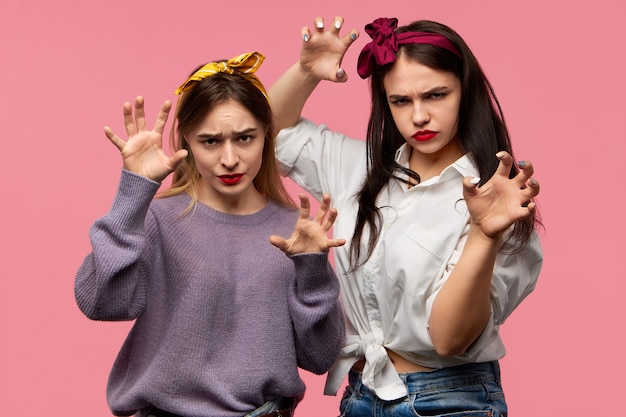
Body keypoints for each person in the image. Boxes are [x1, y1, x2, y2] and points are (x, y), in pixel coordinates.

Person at [268, 16, 543, 417]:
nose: (418, 117)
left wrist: (485, 234)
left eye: (435, 95)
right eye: (401, 101)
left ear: (466, 93)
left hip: (448, 401)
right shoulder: (359, 169)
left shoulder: (499, 199)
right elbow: (266, 134)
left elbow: (450, 340)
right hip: (360, 395)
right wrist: (306, 72)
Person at [74, 51, 346, 417]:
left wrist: (311, 270)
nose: (230, 158)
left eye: (245, 138)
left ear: (267, 132)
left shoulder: (293, 232)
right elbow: (101, 303)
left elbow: (320, 357)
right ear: (186, 138)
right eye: (210, 141)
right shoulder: (160, 219)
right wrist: (134, 190)